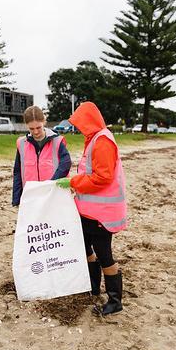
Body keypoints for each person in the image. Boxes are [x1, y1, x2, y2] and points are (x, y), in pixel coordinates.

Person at [55, 102, 127, 316]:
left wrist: (74, 183)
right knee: (85, 248)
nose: (78, 127)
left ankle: (115, 301)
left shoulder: (103, 140)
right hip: (88, 210)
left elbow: (102, 177)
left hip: (102, 214)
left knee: (105, 255)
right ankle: (93, 288)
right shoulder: (94, 138)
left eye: (79, 123)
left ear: (89, 120)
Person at [12, 105, 72, 207]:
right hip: (30, 197)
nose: (35, 132)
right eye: (31, 128)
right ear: (26, 125)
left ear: (44, 122)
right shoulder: (21, 143)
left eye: (38, 127)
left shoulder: (57, 141)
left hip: (53, 196)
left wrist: (50, 185)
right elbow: (18, 172)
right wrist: (16, 199)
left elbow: (65, 164)